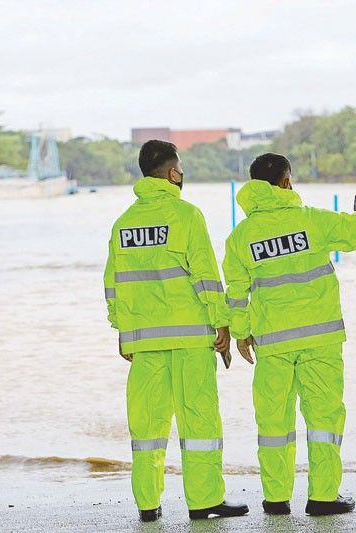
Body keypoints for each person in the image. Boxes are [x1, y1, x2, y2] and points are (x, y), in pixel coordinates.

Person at [222, 153, 356, 516]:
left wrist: (241, 334)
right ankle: (323, 497)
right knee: (324, 420)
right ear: (285, 182)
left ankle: (276, 499)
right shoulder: (312, 220)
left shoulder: (240, 237)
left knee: (273, 424)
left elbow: (236, 293)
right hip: (320, 341)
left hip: (273, 343)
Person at [103, 140, 249, 522]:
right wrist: (223, 323)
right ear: (172, 173)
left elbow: (112, 285)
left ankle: (148, 506)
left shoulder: (123, 224)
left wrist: (123, 331)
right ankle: (203, 503)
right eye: (180, 168)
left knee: (147, 430)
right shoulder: (186, 215)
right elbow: (205, 275)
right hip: (189, 340)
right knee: (199, 423)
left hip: (145, 345)